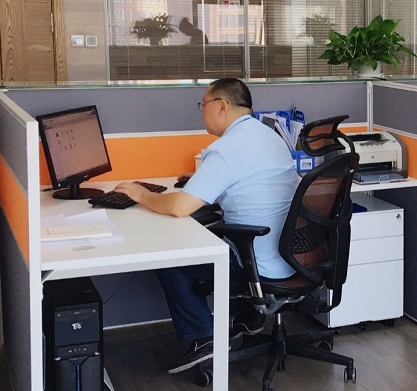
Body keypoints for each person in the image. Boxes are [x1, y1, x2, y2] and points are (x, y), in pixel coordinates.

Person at [114, 78, 298, 374]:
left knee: (170, 256)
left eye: (204, 105)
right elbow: (250, 181)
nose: (202, 112)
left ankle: (205, 336)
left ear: (221, 106)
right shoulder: (268, 136)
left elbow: (179, 207)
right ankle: (248, 317)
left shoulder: (226, 149)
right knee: (212, 231)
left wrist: (142, 195)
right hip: (292, 256)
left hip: (256, 262)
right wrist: (203, 180)